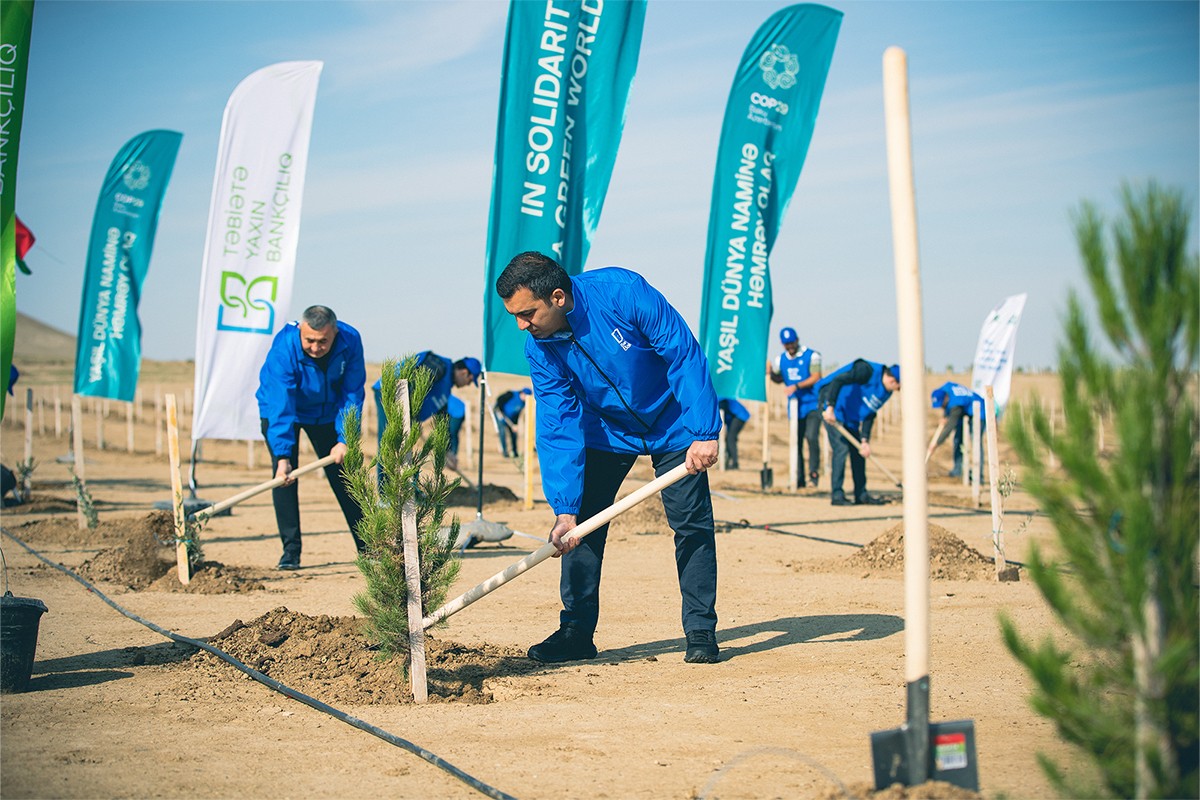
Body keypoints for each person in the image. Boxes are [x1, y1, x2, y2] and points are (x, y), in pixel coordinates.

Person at [496, 251, 722, 665]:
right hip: (606, 431)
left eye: (527, 314)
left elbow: (682, 353)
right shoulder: (539, 349)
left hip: (674, 425)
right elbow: (558, 423)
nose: (521, 326)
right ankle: (576, 632)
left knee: (691, 525)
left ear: (558, 297)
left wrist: (704, 431)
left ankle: (700, 630)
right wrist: (564, 509)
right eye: (515, 316)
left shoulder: (623, 293)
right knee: (580, 528)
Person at [256, 305, 367, 570]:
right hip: (284, 412)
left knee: (345, 476)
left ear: (335, 332)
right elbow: (281, 403)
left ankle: (369, 547)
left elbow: (352, 393)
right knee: (284, 478)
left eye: (323, 341)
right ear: (301, 331)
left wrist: (345, 439)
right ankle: (291, 552)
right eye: (310, 340)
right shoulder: (285, 348)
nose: (316, 347)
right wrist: (282, 455)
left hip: (326, 412)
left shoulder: (350, 340)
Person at [372, 352, 481, 470]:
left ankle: (405, 480)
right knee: (388, 445)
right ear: (464, 372)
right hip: (390, 393)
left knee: (405, 453)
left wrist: (447, 451)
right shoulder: (438, 365)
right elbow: (415, 383)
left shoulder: (446, 389)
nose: (468, 385)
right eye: (469, 381)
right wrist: (408, 417)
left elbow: (442, 421)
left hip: (408, 410)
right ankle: (384, 482)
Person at [815, 359, 901, 506]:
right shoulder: (866, 371)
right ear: (893, 380)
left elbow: (870, 413)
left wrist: (865, 440)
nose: (897, 391)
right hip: (832, 408)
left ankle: (861, 495)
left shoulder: (886, 393)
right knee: (841, 448)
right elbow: (837, 381)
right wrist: (830, 407)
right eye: (898, 387)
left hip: (850, 416)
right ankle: (837, 495)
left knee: (858, 452)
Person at [768, 327, 823, 487]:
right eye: (787, 344)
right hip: (794, 407)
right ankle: (798, 478)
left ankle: (813, 473)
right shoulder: (780, 360)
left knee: (811, 437)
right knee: (795, 441)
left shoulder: (812, 356)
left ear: (797, 340)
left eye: (792, 343)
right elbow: (779, 379)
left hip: (812, 404)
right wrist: (771, 373)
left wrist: (797, 386)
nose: (790, 346)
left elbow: (816, 376)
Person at [929, 381, 984, 478]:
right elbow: (947, 409)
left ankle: (978, 475)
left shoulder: (955, 403)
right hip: (963, 411)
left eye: (941, 404)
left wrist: (936, 443)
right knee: (958, 439)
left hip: (978, 411)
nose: (941, 407)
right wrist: (945, 416)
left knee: (976, 441)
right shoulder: (944, 389)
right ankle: (957, 471)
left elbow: (950, 427)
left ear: (946, 398)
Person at [492, 387, 532, 457]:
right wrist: (500, 411)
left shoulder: (523, 403)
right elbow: (499, 400)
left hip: (510, 418)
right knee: (502, 432)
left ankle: (514, 451)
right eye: (526, 396)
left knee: (514, 433)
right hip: (500, 414)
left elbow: (517, 414)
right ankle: (505, 452)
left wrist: (515, 424)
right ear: (522, 393)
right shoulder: (511, 395)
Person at [717, 397, 750, 469]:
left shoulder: (719, 397)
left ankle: (734, 463)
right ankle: (728, 461)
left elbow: (723, 406)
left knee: (730, 438)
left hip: (739, 416)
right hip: (734, 417)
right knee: (729, 439)